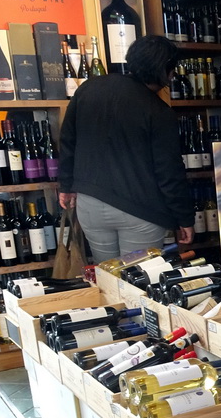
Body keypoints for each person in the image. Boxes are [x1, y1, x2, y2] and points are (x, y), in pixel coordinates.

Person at [58, 35, 194, 264]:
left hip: (90, 203)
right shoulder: (158, 111)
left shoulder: (88, 90)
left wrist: (66, 185)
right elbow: (169, 171)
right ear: (165, 71)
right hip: (141, 209)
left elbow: (67, 141)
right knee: (138, 282)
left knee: (109, 281)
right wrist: (184, 218)